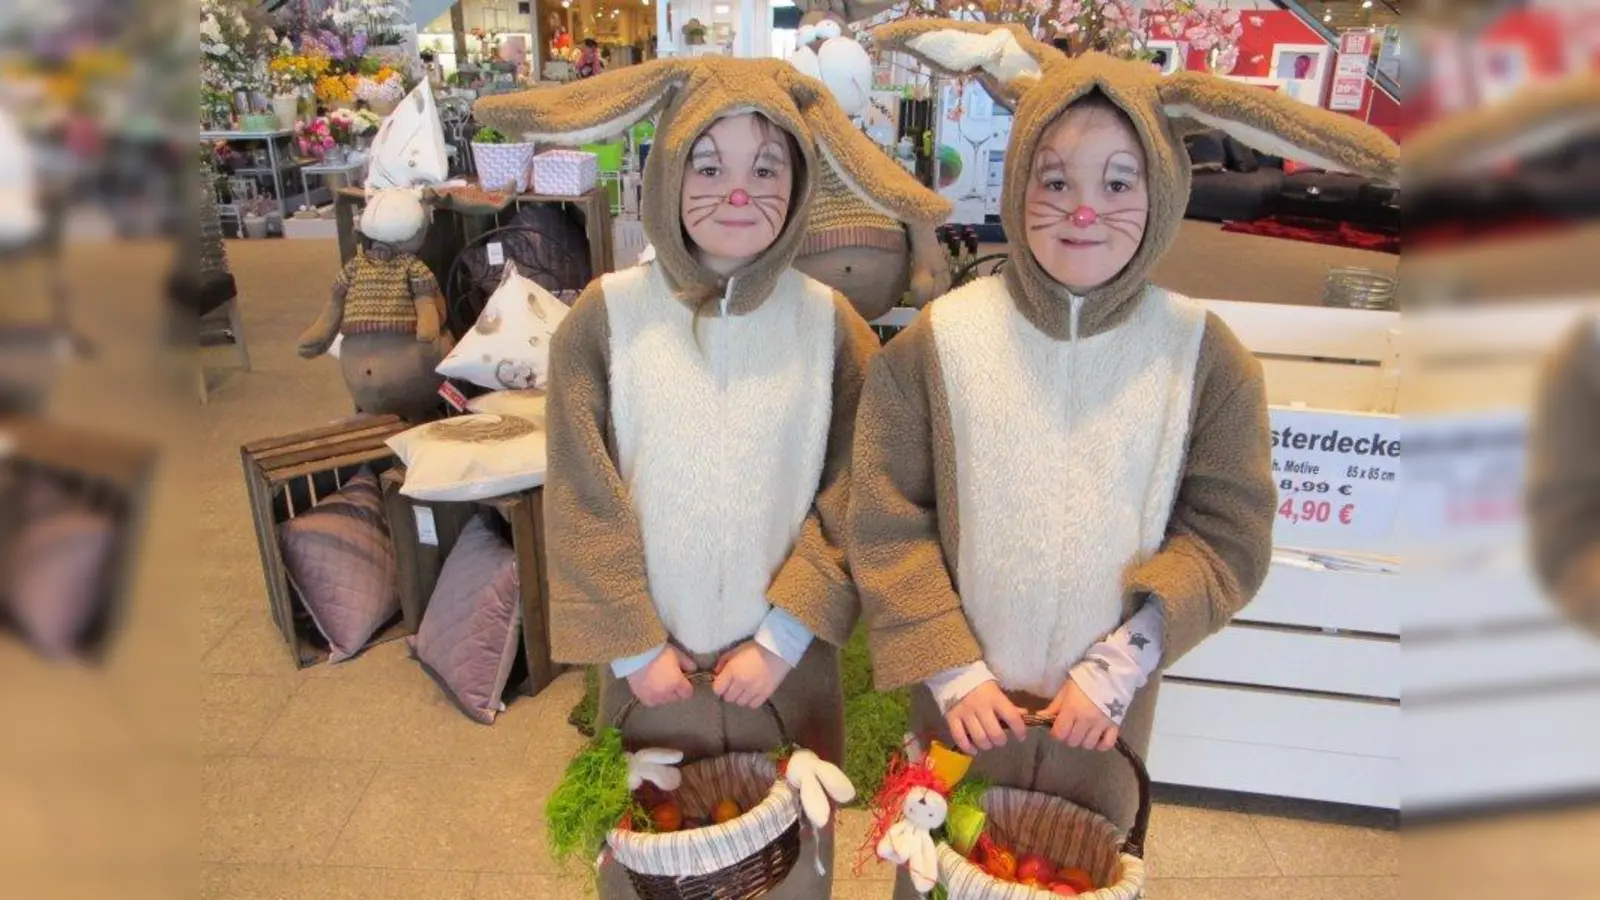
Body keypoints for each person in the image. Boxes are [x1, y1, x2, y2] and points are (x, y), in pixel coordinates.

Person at [853, 22, 1397, 896]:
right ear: (1018, 180)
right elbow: (885, 517)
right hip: (959, 707)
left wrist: (1121, 665)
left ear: (1163, 189)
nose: (1083, 211)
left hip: (1104, 720)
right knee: (938, 869)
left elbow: (1227, 536)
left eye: (1118, 182)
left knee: (1082, 865)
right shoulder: (938, 344)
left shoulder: (1203, 357)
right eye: (1054, 180)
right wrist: (950, 666)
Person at [472, 54, 948, 898]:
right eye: (707, 164)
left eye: (766, 168)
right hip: (648, 671)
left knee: (787, 864)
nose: (738, 192)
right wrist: (632, 644)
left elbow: (856, 491)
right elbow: (582, 493)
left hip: (785, 675)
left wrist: (784, 637)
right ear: (666, 170)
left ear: (799, 182)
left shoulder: (829, 326)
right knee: (652, 855)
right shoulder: (606, 318)